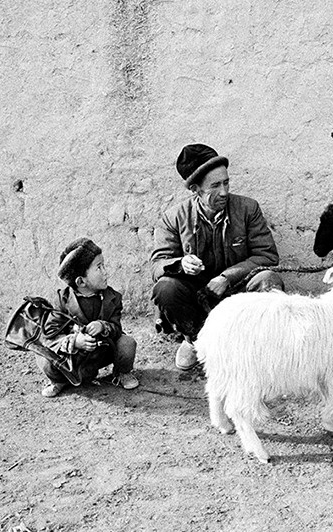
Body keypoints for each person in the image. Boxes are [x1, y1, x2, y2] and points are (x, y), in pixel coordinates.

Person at [150, 143, 284, 370]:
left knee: (268, 280)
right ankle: (195, 340)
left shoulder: (247, 209)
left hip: (237, 290)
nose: (224, 192)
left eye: (226, 182)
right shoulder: (174, 218)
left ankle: (259, 347)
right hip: (198, 294)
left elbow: (267, 255)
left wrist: (227, 277)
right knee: (166, 288)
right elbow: (157, 265)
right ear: (195, 189)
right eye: (215, 186)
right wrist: (180, 264)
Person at [37, 237, 139, 398]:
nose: (106, 272)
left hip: (102, 352)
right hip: (73, 357)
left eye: (104, 265)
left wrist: (104, 326)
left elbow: (116, 328)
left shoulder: (112, 298)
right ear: (81, 282)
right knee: (44, 357)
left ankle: (122, 373)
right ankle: (60, 380)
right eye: (99, 267)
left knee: (127, 344)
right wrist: (74, 341)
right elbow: (49, 335)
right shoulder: (62, 301)